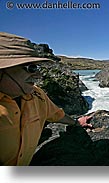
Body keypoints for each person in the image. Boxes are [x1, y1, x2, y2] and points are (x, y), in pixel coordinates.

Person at [0, 32, 93, 166]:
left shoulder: (37, 95)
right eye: (31, 68)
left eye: (37, 67)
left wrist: (76, 123)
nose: (38, 75)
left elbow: (56, 114)